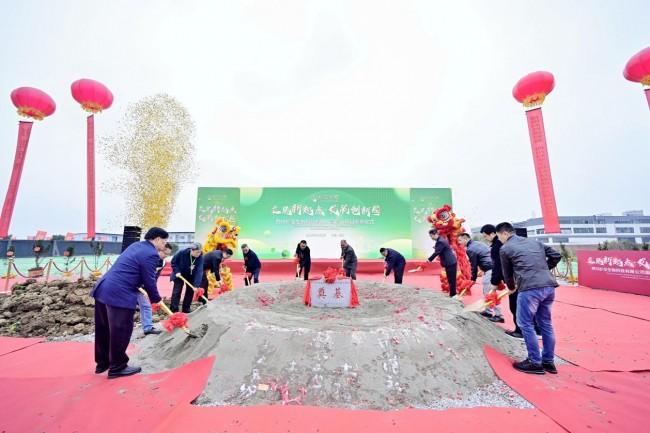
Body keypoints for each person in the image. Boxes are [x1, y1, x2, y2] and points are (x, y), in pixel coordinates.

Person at [90, 227, 168, 379]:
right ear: (157, 239)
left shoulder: (136, 246)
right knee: (121, 329)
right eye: (164, 241)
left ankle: (103, 362)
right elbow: (149, 279)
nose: (165, 245)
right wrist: (156, 299)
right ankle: (117, 367)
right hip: (119, 293)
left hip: (103, 287)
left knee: (104, 328)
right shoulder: (151, 253)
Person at [497, 222, 561, 375]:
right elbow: (556, 255)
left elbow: (507, 273)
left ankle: (534, 362)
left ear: (504, 233)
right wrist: (544, 268)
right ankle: (548, 361)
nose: (500, 240)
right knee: (545, 324)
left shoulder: (505, 248)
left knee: (525, 323)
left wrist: (511, 287)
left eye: (499, 237)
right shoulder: (535, 242)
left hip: (529, 289)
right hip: (548, 287)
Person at [458, 233, 502, 322]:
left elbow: (473, 266)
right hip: (492, 268)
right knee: (487, 291)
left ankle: (499, 315)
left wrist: (472, 280)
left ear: (466, 239)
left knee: (490, 293)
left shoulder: (470, 249)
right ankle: (487, 311)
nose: (459, 243)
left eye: (460, 240)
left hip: (490, 270)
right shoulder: (477, 243)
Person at [137, 242, 173, 335]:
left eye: (168, 254)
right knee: (127, 307)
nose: (166, 256)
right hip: (132, 284)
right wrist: (139, 286)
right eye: (164, 253)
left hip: (144, 286)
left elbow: (154, 277)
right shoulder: (148, 258)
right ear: (158, 250)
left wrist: (150, 290)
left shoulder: (163, 262)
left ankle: (148, 328)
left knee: (146, 306)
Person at [170, 242, 204, 313]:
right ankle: (174, 309)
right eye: (197, 252)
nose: (199, 254)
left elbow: (199, 271)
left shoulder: (200, 257)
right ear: (192, 250)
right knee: (177, 291)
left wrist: (196, 285)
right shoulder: (182, 253)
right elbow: (173, 262)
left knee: (190, 291)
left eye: (200, 252)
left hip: (191, 275)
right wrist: (177, 271)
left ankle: (186, 308)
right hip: (179, 274)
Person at [426, 228, 457, 297]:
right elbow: (440, 250)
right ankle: (452, 293)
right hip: (450, 261)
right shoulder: (441, 240)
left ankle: (453, 295)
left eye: (431, 236)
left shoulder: (440, 241)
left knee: (451, 279)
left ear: (434, 234)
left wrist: (429, 259)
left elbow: (437, 252)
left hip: (450, 262)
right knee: (450, 279)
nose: (431, 238)